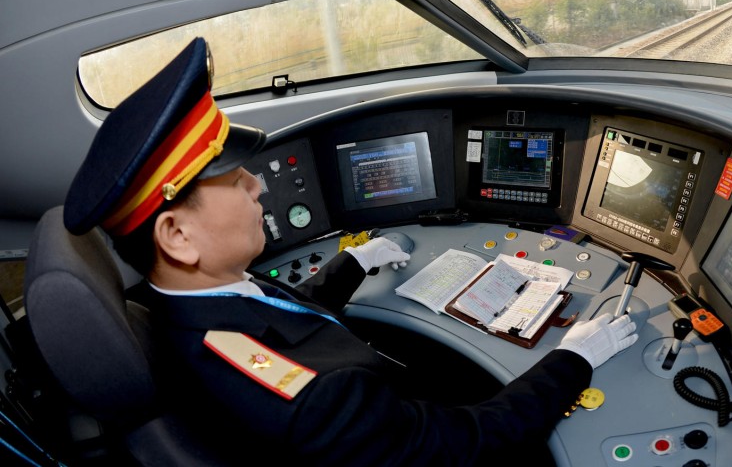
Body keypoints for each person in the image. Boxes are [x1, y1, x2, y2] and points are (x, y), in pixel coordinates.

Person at [62, 37, 638, 465]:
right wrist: (573, 361)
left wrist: (350, 265)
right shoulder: (312, 400)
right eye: (235, 181)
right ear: (177, 236)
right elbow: (464, 444)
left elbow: (280, 322)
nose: (258, 186)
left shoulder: (190, 305)